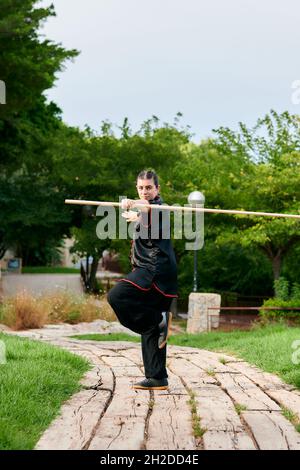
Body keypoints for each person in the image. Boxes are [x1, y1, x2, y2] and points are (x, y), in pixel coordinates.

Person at [107, 169, 178, 390]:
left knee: (117, 296)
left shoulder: (160, 209)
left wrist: (136, 206)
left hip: (154, 270)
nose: (144, 191)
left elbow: (150, 211)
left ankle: (158, 320)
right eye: (140, 188)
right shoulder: (146, 211)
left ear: (157, 189)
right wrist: (137, 215)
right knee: (150, 327)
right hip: (158, 271)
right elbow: (146, 219)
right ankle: (157, 377)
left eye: (148, 187)